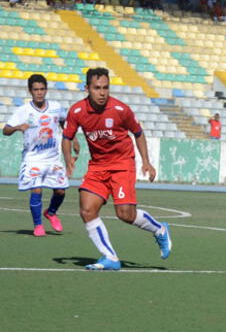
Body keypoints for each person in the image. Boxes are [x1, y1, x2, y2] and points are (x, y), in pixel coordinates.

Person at [61, 68, 172, 271]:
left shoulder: (121, 110)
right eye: (97, 88)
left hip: (122, 164)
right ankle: (110, 257)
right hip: (97, 166)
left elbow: (138, 133)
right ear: (87, 88)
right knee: (87, 210)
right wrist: (68, 159)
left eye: (105, 88)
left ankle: (160, 229)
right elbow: (66, 137)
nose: (102, 93)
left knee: (125, 214)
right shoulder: (77, 111)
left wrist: (146, 161)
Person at [3, 74, 76, 236]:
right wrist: (17, 128)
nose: (39, 93)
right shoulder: (23, 111)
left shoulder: (56, 107)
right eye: (36, 90)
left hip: (52, 158)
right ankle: (38, 226)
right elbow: (5, 130)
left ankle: (50, 212)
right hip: (32, 159)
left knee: (61, 191)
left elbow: (65, 122)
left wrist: (74, 138)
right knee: (36, 190)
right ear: (30, 91)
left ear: (46, 90)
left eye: (42, 89)